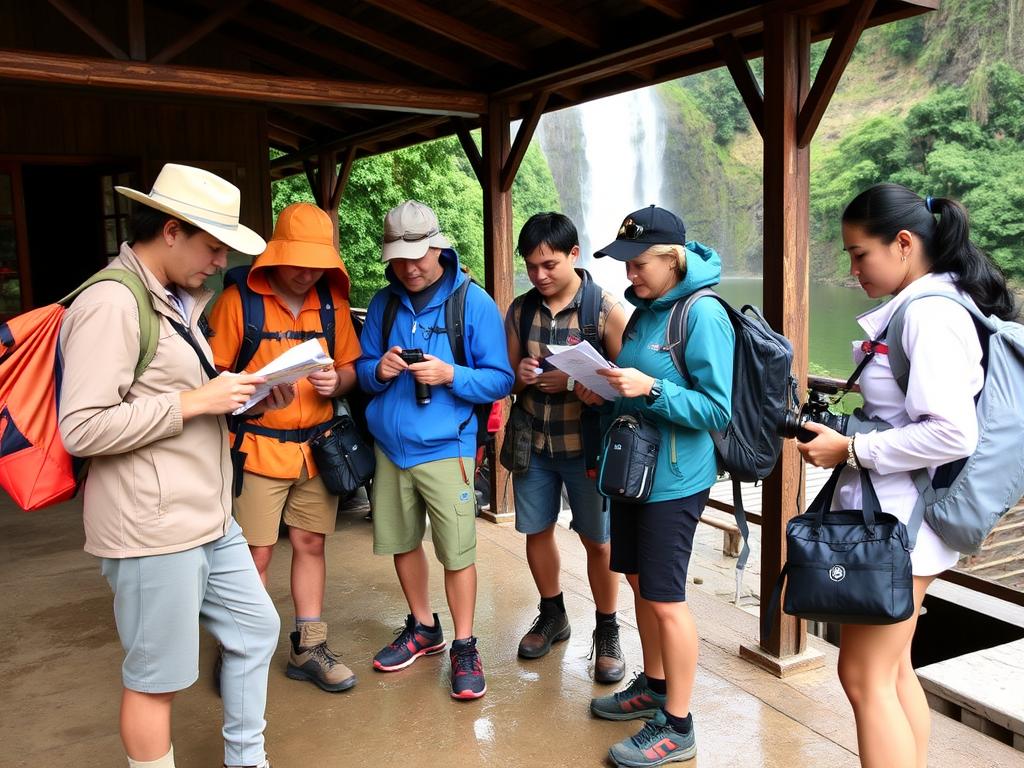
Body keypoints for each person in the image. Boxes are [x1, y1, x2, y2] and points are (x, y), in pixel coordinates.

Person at [58, 164, 283, 768]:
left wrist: (248, 394)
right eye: (213, 247)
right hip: (151, 528)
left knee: (256, 629)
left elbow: (180, 394)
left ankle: (246, 759)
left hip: (206, 516)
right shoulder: (110, 301)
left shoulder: (178, 300)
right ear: (172, 230)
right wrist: (194, 402)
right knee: (157, 678)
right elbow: (80, 429)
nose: (219, 262)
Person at [797, 184, 1016, 768]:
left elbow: (952, 432)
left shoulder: (929, 316)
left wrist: (850, 449)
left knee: (864, 678)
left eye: (859, 253)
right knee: (891, 672)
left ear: (902, 243)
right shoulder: (929, 305)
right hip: (908, 522)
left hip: (904, 525)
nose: (853, 268)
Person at [584, 206, 734, 768]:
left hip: (674, 480)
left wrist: (648, 390)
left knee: (668, 599)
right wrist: (607, 390)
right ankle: (654, 684)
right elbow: (641, 383)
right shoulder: (647, 312)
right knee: (642, 584)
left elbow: (717, 409)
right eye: (624, 265)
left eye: (639, 263)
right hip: (633, 473)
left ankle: (680, 723)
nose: (630, 276)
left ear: (673, 258)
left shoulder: (703, 315)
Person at [355, 200, 514, 700]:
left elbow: (501, 379)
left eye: (418, 256)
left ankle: (464, 644)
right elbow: (360, 367)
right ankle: (424, 627)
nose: (409, 268)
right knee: (402, 542)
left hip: (449, 448)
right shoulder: (383, 304)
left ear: (438, 246)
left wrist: (450, 375)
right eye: (399, 259)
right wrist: (376, 371)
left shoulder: (473, 303)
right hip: (390, 449)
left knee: (456, 551)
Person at [207, 202, 362, 694]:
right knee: (253, 553)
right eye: (296, 260)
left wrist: (335, 381)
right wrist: (252, 392)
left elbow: (352, 369)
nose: (304, 272)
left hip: (316, 450)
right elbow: (210, 377)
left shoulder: (333, 306)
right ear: (274, 254)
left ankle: (308, 646)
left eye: (316, 263)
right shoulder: (239, 303)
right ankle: (237, 648)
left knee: (311, 543)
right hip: (257, 447)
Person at [504, 212, 628, 682]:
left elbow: (629, 381)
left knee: (598, 540)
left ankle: (608, 631)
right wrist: (521, 375)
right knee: (536, 530)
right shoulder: (520, 310)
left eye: (549, 265)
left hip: (588, 446)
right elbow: (508, 371)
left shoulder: (605, 310)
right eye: (531, 266)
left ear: (574, 255)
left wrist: (577, 380)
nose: (539, 275)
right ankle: (553, 614)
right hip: (534, 441)